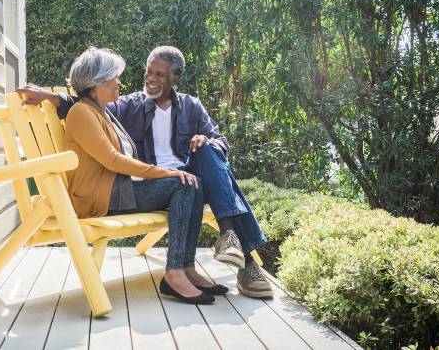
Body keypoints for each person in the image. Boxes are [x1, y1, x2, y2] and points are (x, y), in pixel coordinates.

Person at [18, 46, 274, 298]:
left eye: (160, 74)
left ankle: (200, 257)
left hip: (178, 178)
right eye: (148, 72)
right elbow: (87, 110)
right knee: (192, 182)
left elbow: (221, 142)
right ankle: (228, 261)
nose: (149, 79)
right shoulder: (124, 107)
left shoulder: (191, 106)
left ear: (176, 78)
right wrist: (49, 95)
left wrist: (206, 142)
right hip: (141, 184)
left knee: (208, 154)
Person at [62, 47, 226, 305]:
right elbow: (112, 160)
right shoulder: (83, 113)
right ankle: (175, 273)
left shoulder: (101, 111)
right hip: (102, 199)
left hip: (118, 191)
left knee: (193, 183)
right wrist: (166, 173)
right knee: (183, 184)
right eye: (114, 78)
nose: (120, 82)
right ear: (96, 83)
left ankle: (185, 268)